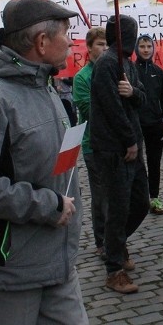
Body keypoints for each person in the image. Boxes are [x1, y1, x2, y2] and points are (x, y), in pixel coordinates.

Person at [0, 0, 88, 324]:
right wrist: (47, 205)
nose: (71, 42)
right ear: (41, 42)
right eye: (66, 33)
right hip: (7, 272)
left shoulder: (43, 85)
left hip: (54, 263)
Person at [90, 15, 150, 294]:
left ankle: (116, 242)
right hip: (114, 148)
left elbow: (142, 99)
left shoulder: (128, 64)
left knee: (139, 202)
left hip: (132, 144)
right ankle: (113, 269)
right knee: (118, 207)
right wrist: (128, 140)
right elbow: (111, 108)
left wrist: (132, 91)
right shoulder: (106, 64)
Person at [72, 27, 108, 259]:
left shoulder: (117, 71)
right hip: (94, 144)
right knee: (101, 195)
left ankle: (118, 237)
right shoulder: (82, 77)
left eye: (106, 44)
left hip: (118, 143)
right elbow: (89, 110)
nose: (104, 49)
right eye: (100, 45)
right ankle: (102, 240)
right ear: (89, 48)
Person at [135, 34, 163, 216]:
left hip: (155, 124)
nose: (146, 50)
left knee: (154, 162)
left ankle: (154, 198)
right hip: (135, 125)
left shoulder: (159, 72)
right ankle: (138, 200)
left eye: (149, 46)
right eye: (142, 46)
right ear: (137, 48)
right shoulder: (130, 71)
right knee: (136, 163)